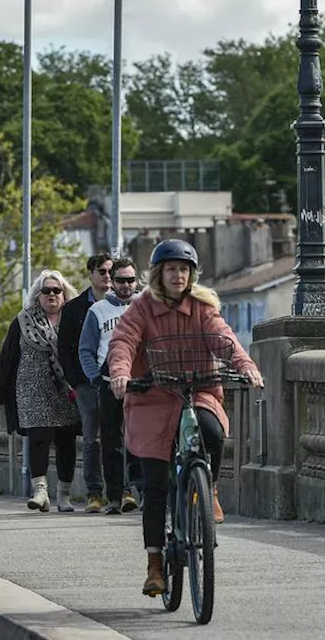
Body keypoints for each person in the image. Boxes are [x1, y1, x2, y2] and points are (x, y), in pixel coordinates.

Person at [108, 239, 264, 596]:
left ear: (191, 274)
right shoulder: (142, 307)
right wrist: (120, 372)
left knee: (212, 430)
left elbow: (223, 339)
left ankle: (208, 489)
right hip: (153, 396)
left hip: (199, 390)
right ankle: (155, 565)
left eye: (183, 269)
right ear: (158, 274)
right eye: (171, 269)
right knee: (156, 485)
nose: (177, 275)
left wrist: (245, 365)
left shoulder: (202, 306)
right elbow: (123, 342)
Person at [0, 270, 81, 512]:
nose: (51, 295)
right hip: (32, 390)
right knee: (38, 438)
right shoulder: (23, 320)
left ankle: (64, 495)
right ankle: (40, 491)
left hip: (66, 390)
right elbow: (7, 356)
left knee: (66, 442)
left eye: (56, 290)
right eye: (46, 291)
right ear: (37, 295)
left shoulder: (74, 319)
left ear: (64, 294)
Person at [79, 256, 142, 514]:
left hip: (141, 382)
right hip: (109, 382)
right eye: (120, 280)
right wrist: (95, 378)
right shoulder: (97, 311)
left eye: (130, 280)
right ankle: (115, 496)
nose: (126, 285)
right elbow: (86, 350)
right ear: (111, 282)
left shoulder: (143, 307)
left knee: (140, 438)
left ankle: (139, 491)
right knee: (111, 440)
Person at [58, 252, 114, 512]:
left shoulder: (127, 304)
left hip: (119, 381)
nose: (107, 277)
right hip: (88, 383)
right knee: (92, 437)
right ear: (91, 274)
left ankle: (124, 490)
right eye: (102, 271)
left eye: (110, 272)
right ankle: (94, 492)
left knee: (122, 436)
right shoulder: (74, 308)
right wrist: (78, 381)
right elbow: (66, 350)